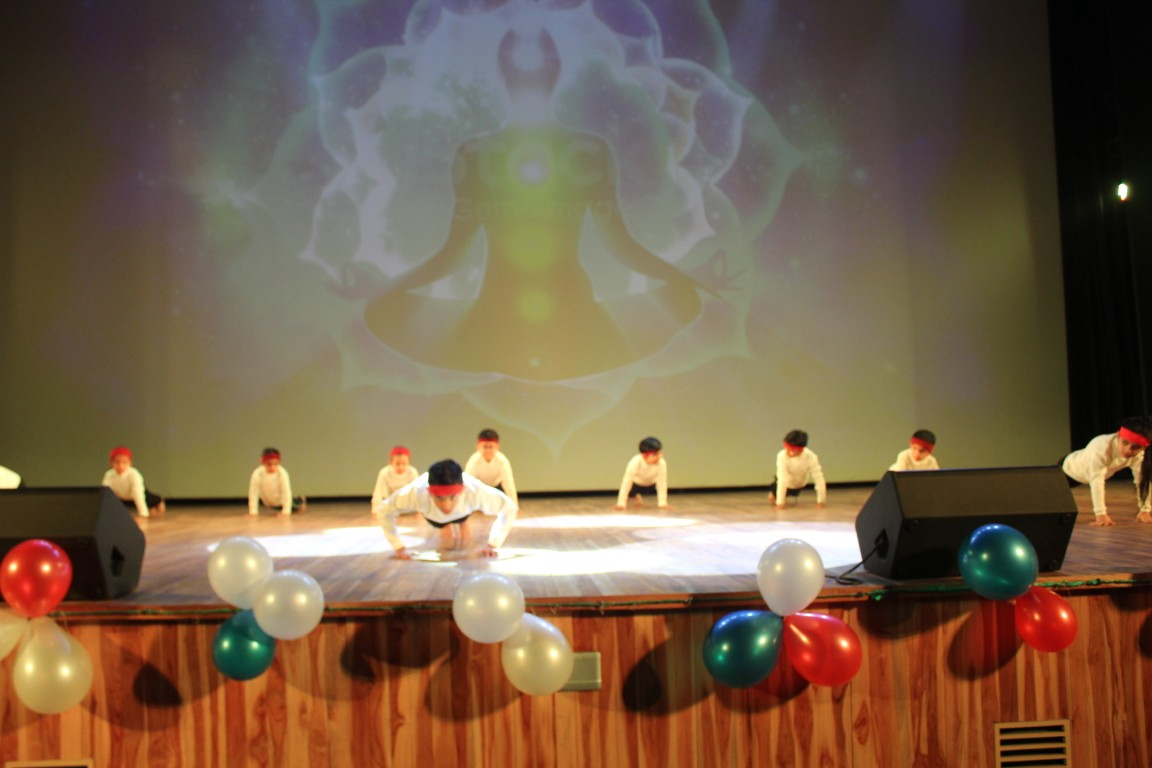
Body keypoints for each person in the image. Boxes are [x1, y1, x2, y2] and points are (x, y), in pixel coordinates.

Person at [377, 458, 518, 559]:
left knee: (463, 527)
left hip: (464, 513)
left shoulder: (475, 491)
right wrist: (399, 547)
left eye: (452, 498)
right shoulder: (416, 493)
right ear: (429, 491)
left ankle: (460, 522)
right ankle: (446, 525)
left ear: (463, 490)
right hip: (433, 517)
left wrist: (493, 544)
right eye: (439, 498)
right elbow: (383, 510)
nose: (446, 506)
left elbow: (509, 508)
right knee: (446, 530)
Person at [1061, 416, 1152, 527]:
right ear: (1118, 435)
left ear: (1144, 447)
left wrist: (1145, 510)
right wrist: (1100, 514)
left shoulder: (1139, 456)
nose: (1128, 450)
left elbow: (1142, 481)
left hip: (1091, 475)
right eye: (1125, 443)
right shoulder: (1101, 446)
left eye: (1135, 447)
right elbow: (1097, 481)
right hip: (1068, 469)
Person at [768, 430, 826, 509]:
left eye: (794, 450)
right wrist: (780, 502)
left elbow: (819, 478)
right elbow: (782, 479)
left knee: (792, 488)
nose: (790, 452)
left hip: (800, 483)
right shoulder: (781, 455)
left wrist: (821, 501)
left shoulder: (811, 456)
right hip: (784, 481)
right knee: (777, 484)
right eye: (788, 449)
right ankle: (775, 493)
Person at [102, 446, 165, 518]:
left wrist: (143, 514)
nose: (120, 466)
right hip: (123, 497)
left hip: (138, 494)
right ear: (111, 463)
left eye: (124, 462)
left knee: (150, 499)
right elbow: (106, 494)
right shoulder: (109, 475)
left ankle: (158, 502)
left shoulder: (134, 474)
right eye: (117, 462)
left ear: (129, 463)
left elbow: (138, 495)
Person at [463, 428, 518, 506]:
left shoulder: (502, 461)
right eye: (485, 447)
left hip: (497, 488)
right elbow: (467, 484)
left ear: (497, 447)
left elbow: (508, 484)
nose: (488, 450)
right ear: (477, 446)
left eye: (491, 447)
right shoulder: (473, 461)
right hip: (480, 489)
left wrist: (515, 507)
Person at [248, 447, 305, 516]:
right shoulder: (257, 474)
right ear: (262, 462)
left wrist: (286, 511)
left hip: (281, 501)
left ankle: (300, 500)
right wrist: (253, 511)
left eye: (275, 464)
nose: (272, 467)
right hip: (269, 502)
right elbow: (253, 492)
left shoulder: (282, 473)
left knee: (294, 506)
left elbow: (286, 491)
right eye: (269, 464)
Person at [615, 437, 668, 509]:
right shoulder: (635, 462)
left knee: (658, 487)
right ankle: (636, 495)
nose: (659, 457)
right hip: (636, 485)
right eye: (655, 455)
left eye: (660, 453)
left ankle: (638, 494)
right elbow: (626, 482)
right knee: (630, 490)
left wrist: (663, 503)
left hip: (651, 486)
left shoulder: (661, 463)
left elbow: (662, 483)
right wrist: (621, 503)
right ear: (644, 456)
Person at [370, 446, 419, 517]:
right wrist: (375, 509)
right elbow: (378, 491)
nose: (401, 467)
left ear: (408, 462)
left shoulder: (412, 472)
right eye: (397, 464)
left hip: (409, 505)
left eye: (404, 463)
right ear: (391, 462)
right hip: (391, 504)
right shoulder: (384, 472)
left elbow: (417, 491)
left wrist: (420, 510)